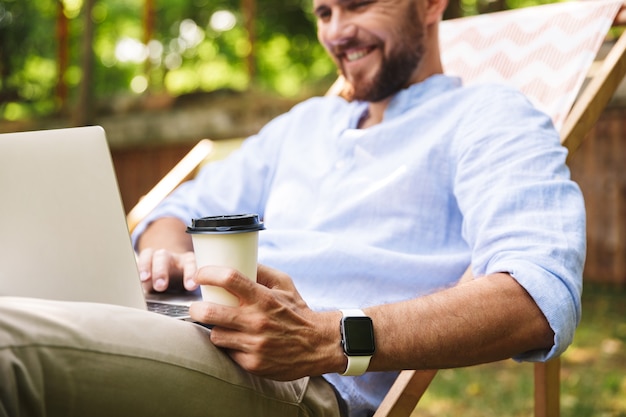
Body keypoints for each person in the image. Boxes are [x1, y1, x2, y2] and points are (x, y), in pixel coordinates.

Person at [0, 0, 585, 415]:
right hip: (182, 325)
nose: (337, 33)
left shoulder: (489, 116)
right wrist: (164, 259)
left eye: (357, 6)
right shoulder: (307, 123)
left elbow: (538, 296)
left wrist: (326, 337)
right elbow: (180, 208)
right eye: (324, 13)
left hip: (296, 380)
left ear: (432, 4)